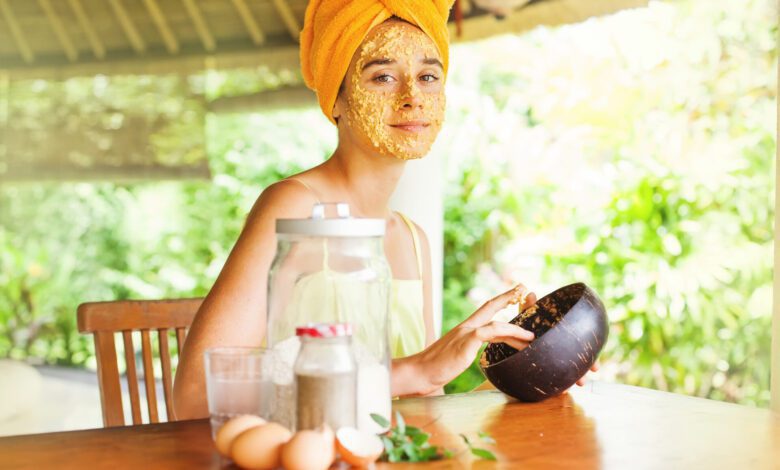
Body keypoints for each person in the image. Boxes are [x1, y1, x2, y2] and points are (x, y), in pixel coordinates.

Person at [173, 0, 593, 420]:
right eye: (383, 76)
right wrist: (416, 369)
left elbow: (420, 405)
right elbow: (196, 394)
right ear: (335, 99)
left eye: (428, 76)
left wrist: (532, 373)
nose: (413, 98)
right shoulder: (297, 207)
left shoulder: (413, 240)